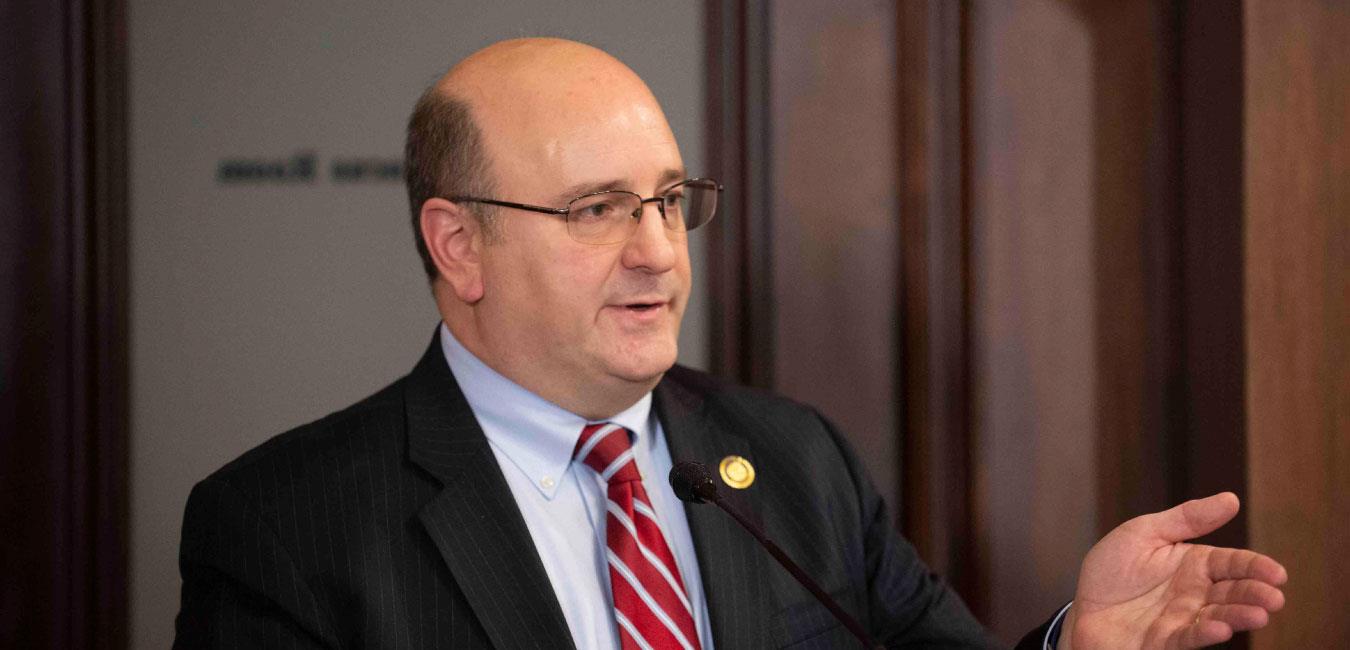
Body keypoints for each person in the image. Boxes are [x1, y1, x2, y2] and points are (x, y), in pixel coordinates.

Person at [173, 38, 1286, 649]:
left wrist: (1076, 647)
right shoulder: (283, 526)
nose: (659, 253)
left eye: (669, 200)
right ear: (458, 246)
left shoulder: (792, 456)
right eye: (598, 209)